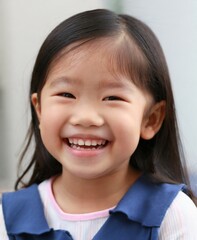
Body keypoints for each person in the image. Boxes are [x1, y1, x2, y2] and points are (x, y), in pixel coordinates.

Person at [0, 8, 197, 240]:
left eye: (112, 98)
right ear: (39, 109)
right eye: (66, 94)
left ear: (150, 119)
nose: (85, 117)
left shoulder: (174, 214)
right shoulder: (6, 218)